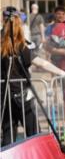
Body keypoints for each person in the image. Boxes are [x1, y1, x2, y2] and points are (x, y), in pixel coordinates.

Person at [1, 9, 38, 147]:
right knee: (33, 130)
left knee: (8, 131)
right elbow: (40, 62)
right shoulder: (22, 47)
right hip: (20, 94)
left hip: (4, 94)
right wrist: (63, 73)